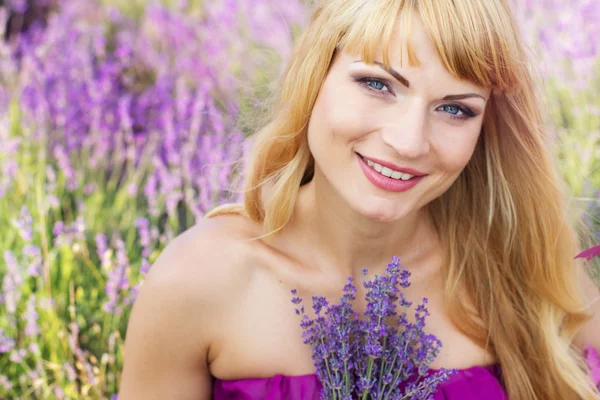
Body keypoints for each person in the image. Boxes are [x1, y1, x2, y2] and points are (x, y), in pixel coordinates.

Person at [117, 0, 600, 399]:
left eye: (454, 108)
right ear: (315, 76)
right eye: (377, 84)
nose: (409, 142)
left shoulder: (524, 261)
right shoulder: (198, 282)